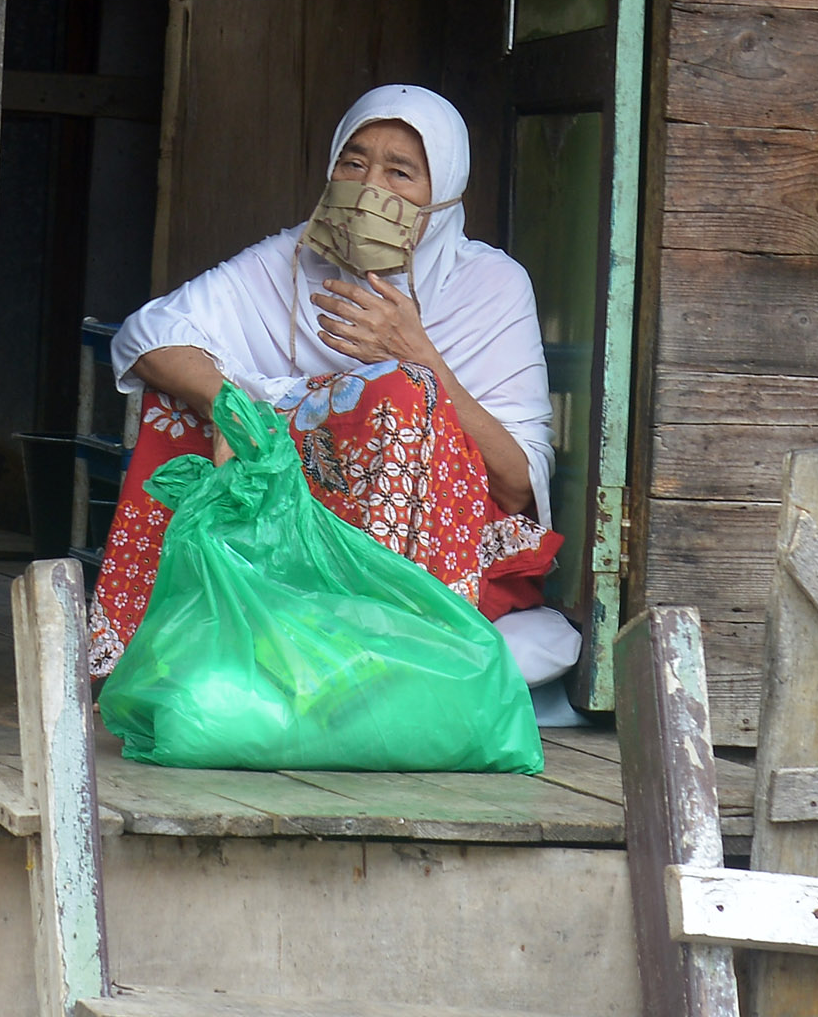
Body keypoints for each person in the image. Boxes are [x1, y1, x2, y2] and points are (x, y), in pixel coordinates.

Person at [96, 85, 580, 708]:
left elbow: (517, 486)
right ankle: (158, 643)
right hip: (291, 518)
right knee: (179, 403)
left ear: (447, 194)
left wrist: (418, 357)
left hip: (432, 541)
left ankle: (375, 645)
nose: (370, 187)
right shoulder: (293, 259)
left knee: (403, 391)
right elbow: (148, 334)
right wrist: (230, 406)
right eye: (353, 164)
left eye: (400, 171)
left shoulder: (491, 285)